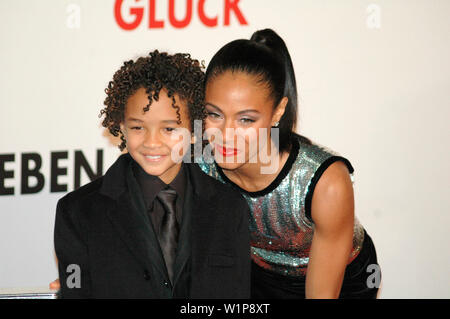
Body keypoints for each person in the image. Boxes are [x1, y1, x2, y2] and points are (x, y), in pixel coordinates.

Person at [196, 28, 381, 298]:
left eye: (246, 119)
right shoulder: (200, 163)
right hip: (259, 275)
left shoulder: (324, 182)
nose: (226, 134)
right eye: (214, 114)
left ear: (278, 112)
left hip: (343, 282)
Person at [53, 50, 251, 298]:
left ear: (194, 129)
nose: (152, 142)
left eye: (169, 128)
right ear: (122, 127)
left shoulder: (229, 208)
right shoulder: (78, 212)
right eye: (138, 127)